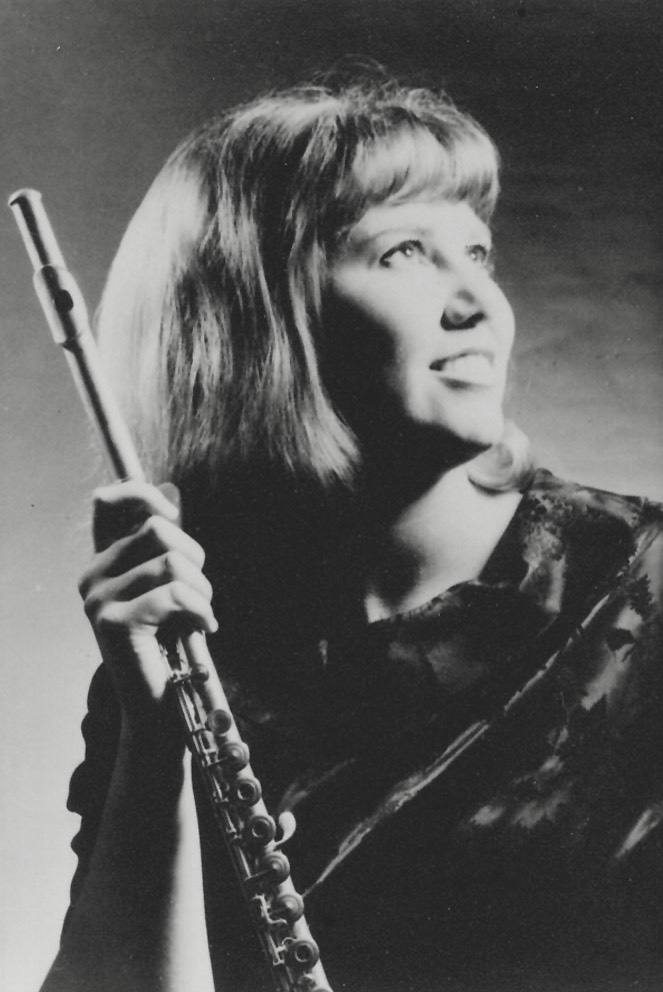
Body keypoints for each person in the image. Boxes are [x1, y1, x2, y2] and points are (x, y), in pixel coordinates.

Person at [41, 77, 663, 992]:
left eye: (477, 253)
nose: (479, 303)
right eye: (403, 252)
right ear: (256, 317)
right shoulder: (180, 645)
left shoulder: (640, 587)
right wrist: (155, 745)